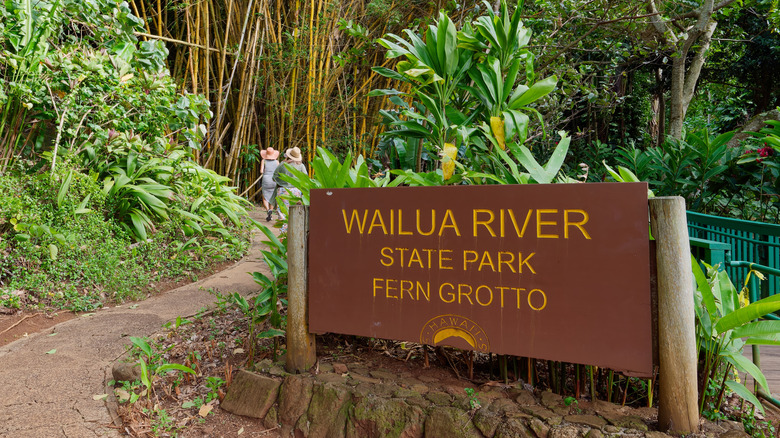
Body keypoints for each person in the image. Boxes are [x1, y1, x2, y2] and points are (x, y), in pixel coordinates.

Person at [273, 146, 307, 233]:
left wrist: (281, 182)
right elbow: (305, 179)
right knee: (295, 212)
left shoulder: (282, 164)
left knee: (283, 214)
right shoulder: (301, 166)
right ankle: (294, 233)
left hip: (283, 191)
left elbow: (274, 177)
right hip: (296, 191)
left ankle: (283, 234)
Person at [259, 147, 280, 221]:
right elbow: (279, 171)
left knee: (265, 196)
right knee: (273, 196)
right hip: (274, 180)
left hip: (266, 179)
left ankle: (268, 210)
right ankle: (271, 210)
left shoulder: (263, 160)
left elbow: (261, 171)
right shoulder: (277, 162)